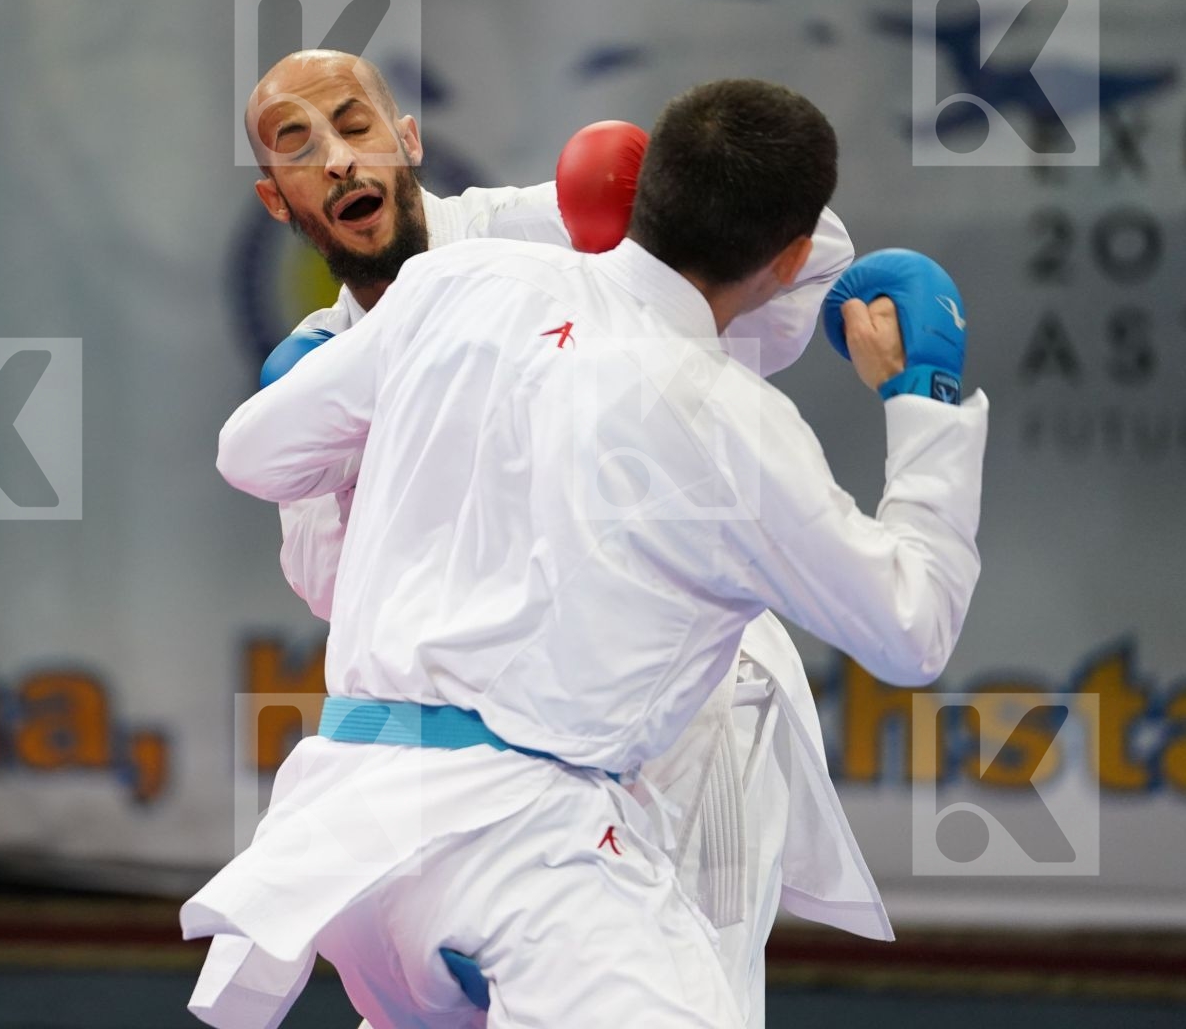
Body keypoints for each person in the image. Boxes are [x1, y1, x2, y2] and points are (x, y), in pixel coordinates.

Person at [187, 77, 987, 1026]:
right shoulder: (730, 424)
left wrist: (355, 421)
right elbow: (912, 626)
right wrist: (926, 406)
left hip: (370, 816)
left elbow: (249, 453)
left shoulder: (472, 266)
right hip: (530, 813)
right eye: (298, 144)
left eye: (355, 125)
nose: (336, 158)